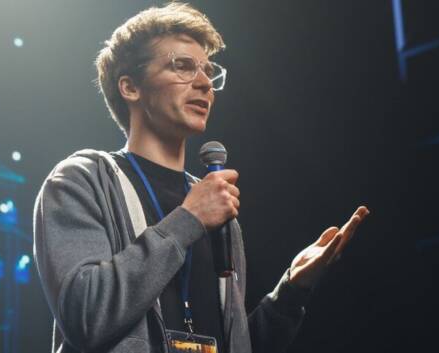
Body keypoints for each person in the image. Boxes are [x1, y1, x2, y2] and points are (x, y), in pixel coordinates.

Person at [32, 3, 370, 353]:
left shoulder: (214, 206)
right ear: (130, 87)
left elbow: (233, 344)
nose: (205, 83)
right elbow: (85, 317)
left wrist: (291, 290)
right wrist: (187, 220)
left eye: (208, 71)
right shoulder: (81, 181)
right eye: (182, 66)